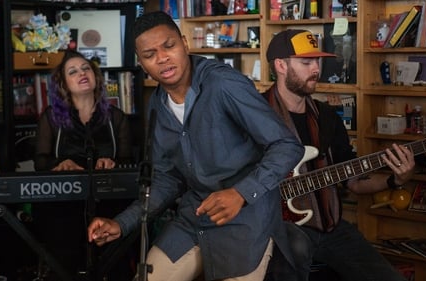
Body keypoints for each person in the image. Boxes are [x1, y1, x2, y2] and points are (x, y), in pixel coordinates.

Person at [87, 11, 304, 281]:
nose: (162, 58)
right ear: (142, 64)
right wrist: (121, 223)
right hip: (194, 218)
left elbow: (287, 145)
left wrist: (240, 193)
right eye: (150, 54)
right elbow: (166, 180)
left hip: (246, 220)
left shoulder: (223, 83)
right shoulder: (157, 105)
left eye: (169, 46)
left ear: (185, 44)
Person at [263, 29, 415, 281]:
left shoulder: (327, 118)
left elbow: (353, 181)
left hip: (332, 227)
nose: (316, 69)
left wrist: (395, 180)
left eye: (318, 61)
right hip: (279, 231)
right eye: (306, 62)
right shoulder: (255, 115)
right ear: (280, 65)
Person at [32, 50, 135, 279]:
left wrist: (113, 162)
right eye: (73, 71)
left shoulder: (116, 118)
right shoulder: (51, 118)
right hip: (65, 204)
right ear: (64, 84)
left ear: (96, 76)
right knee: (64, 261)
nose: (82, 73)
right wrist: (61, 163)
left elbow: (129, 162)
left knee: (115, 263)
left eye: (86, 68)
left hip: (109, 203)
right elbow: (40, 162)